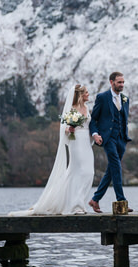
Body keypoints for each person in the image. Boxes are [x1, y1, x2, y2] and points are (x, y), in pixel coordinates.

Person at [9, 85, 94, 215]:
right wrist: (70, 129)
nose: (89, 94)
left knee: (89, 172)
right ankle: (75, 206)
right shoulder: (72, 109)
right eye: (86, 93)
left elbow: (89, 125)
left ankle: (78, 202)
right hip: (75, 142)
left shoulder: (87, 108)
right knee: (77, 171)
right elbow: (65, 128)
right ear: (80, 95)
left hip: (86, 142)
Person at [88, 71, 132, 213]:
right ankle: (121, 200)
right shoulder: (102, 97)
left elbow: (124, 119)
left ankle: (95, 199)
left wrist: (124, 136)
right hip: (108, 138)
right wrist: (95, 134)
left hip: (122, 139)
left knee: (111, 170)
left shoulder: (125, 99)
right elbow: (93, 119)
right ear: (111, 82)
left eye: (123, 82)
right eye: (119, 82)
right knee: (116, 166)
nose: (122, 84)